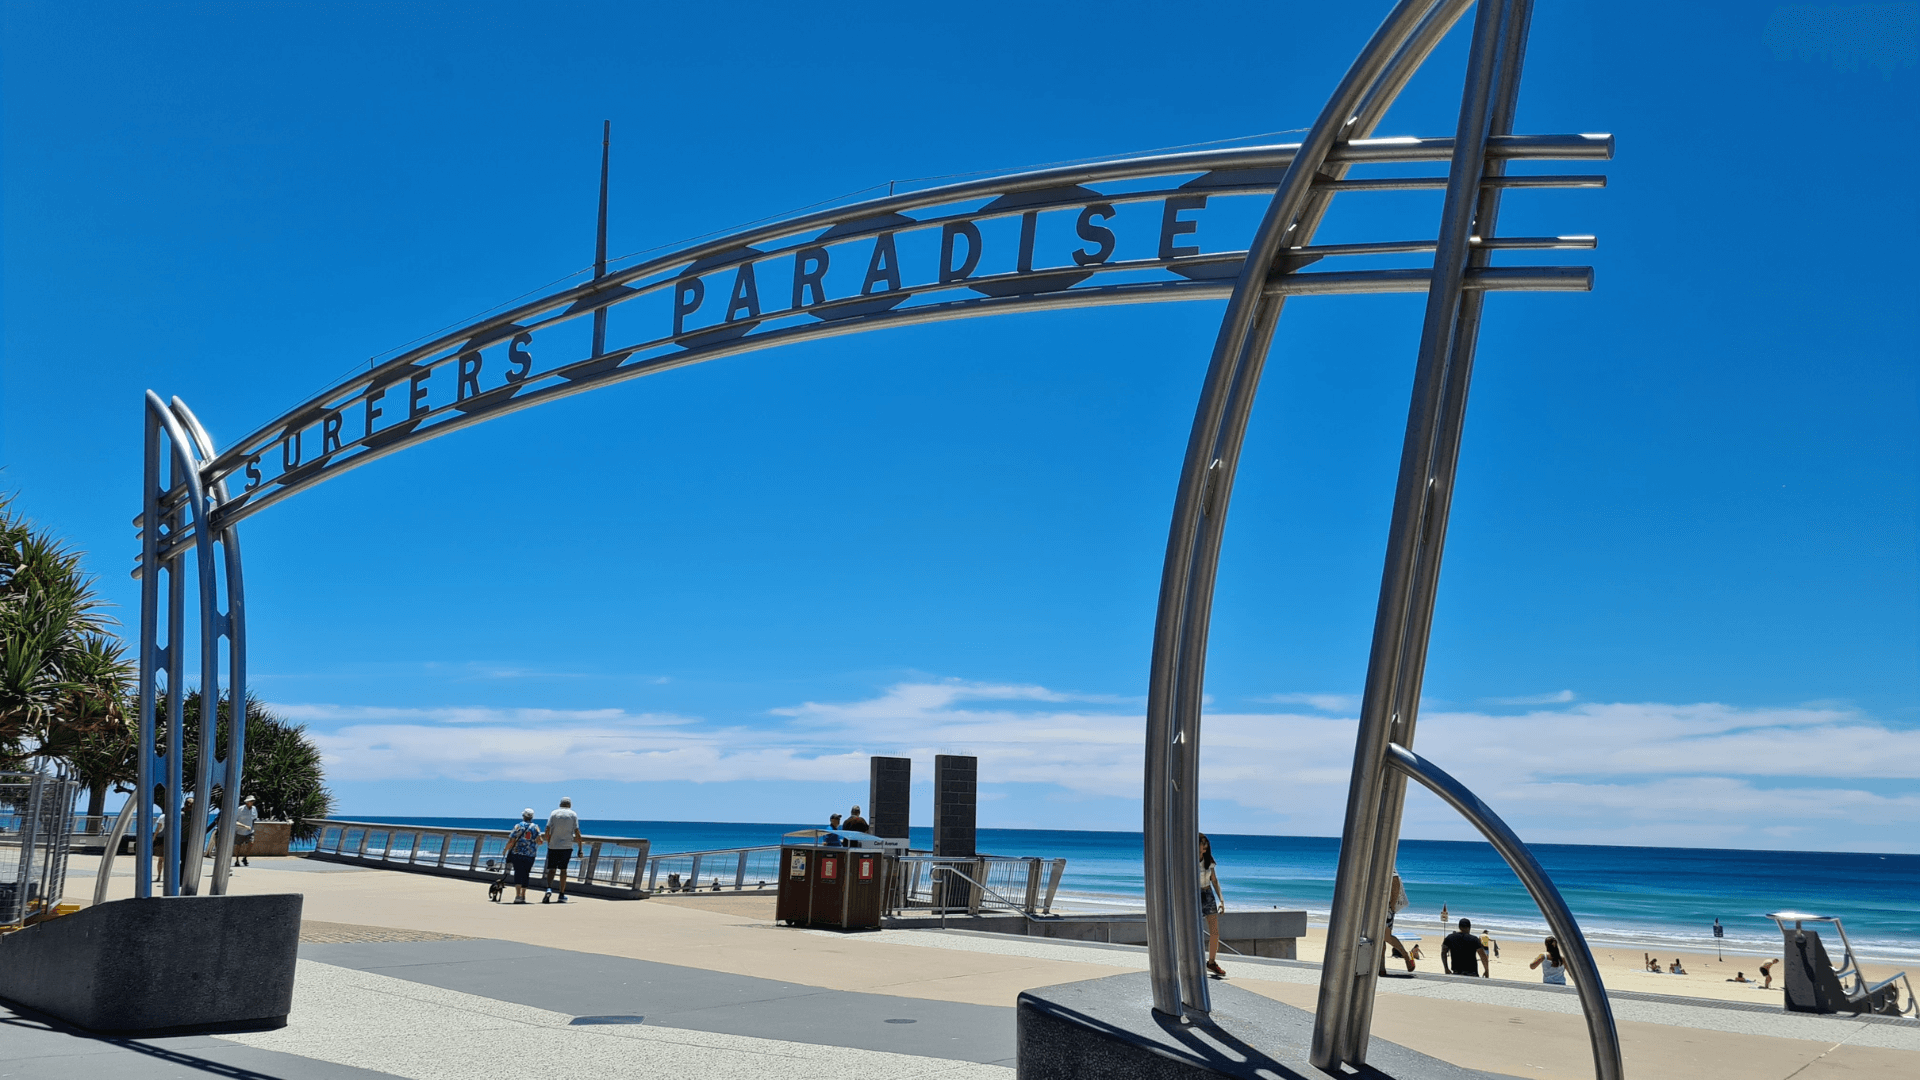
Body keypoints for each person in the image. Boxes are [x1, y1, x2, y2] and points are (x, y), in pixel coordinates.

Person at [541, 797, 580, 904]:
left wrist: (549, 841)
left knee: (551, 869)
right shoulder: (573, 815)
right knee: (563, 870)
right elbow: (577, 831)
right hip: (566, 846)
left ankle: (549, 888)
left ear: (560, 804)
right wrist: (580, 848)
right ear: (570, 805)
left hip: (553, 846)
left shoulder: (554, 813)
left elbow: (547, 829)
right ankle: (561, 894)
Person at [1199, 834, 1227, 979]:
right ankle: (1192, 961)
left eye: (1206, 845)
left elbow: (1214, 881)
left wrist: (1221, 900)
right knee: (1194, 932)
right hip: (1194, 895)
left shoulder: (1209, 860)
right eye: (1202, 844)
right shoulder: (1188, 861)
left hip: (1207, 893)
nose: (1204, 847)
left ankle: (1211, 962)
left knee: (1214, 932)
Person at [505, 809, 542, 904]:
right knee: (526, 874)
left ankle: (517, 895)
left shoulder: (518, 826)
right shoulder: (535, 827)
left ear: (523, 816)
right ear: (532, 817)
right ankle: (523, 895)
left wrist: (505, 850)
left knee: (518, 872)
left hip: (517, 853)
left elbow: (512, 839)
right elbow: (540, 841)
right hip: (530, 854)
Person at [1383, 872, 1416, 972]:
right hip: (1372, 906)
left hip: (1386, 907)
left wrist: (1392, 904)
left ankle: (1406, 956)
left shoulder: (1386, 863)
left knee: (1385, 936)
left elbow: (1395, 880)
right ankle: (1381, 967)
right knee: (1378, 939)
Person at [233, 795, 258, 867]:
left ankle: (245, 858)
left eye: (253, 801)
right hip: (240, 831)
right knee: (238, 845)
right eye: (251, 801)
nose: (252, 802)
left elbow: (254, 818)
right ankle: (237, 860)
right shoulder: (240, 809)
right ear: (247, 802)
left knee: (251, 843)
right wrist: (244, 826)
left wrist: (251, 827)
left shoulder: (254, 809)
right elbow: (235, 820)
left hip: (250, 831)